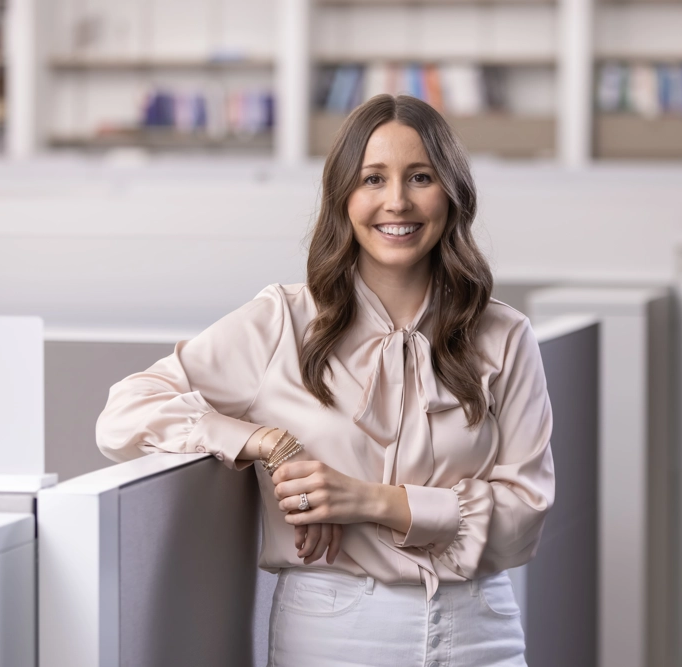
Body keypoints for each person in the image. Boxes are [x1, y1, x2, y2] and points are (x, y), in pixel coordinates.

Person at [95, 94, 555, 667]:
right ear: (343, 196)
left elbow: (524, 516)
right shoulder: (280, 322)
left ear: (452, 192)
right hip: (336, 629)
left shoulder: (505, 335)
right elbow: (125, 412)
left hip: (480, 628)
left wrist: (369, 501)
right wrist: (262, 440)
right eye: (372, 179)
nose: (397, 202)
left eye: (420, 177)